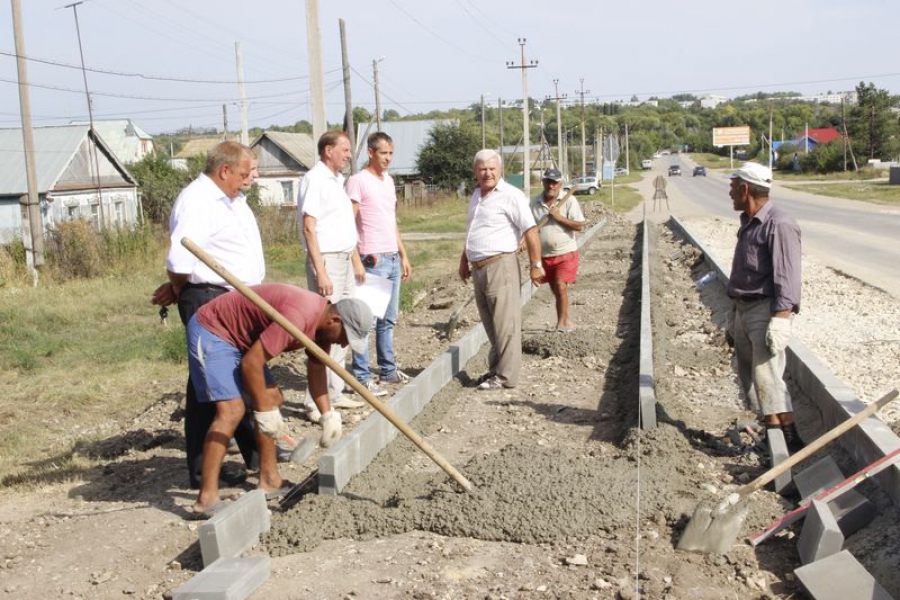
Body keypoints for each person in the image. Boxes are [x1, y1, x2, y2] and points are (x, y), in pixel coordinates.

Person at [186, 283, 372, 516]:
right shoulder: (298, 318)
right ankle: (206, 498)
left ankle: (269, 479)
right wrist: (264, 412)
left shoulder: (322, 327)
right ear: (335, 321)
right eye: (346, 337)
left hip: (243, 340)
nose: (343, 344)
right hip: (215, 331)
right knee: (232, 411)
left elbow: (316, 369)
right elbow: (251, 363)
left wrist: (327, 414)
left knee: (273, 398)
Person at [151, 141, 263, 490]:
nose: (248, 180)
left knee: (227, 379)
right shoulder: (198, 201)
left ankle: (258, 456)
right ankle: (204, 475)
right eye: (243, 174)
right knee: (210, 387)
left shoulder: (229, 199)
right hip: (211, 301)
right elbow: (180, 262)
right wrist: (180, 286)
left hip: (233, 298)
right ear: (224, 170)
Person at [725, 162, 803, 452]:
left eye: (733, 188)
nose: (730, 194)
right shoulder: (748, 221)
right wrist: (733, 317)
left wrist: (782, 318)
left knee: (767, 378)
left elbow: (788, 274)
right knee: (751, 380)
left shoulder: (779, 224)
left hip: (764, 309)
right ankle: (782, 439)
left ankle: (783, 450)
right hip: (743, 308)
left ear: (746, 189)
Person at [458, 149, 544, 390]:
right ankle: (496, 370)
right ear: (475, 172)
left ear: (500, 170)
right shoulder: (476, 195)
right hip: (479, 268)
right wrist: (464, 260)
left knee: (506, 324)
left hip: (500, 265)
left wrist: (535, 265)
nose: (487, 173)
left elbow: (530, 230)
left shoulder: (511, 195)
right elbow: (473, 231)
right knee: (491, 323)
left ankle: (506, 377)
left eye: (492, 168)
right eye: (482, 169)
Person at [298, 131, 368, 418]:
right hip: (327, 261)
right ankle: (314, 402)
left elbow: (341, 226)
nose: (349, 155)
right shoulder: (315, 180)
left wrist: (355, 259)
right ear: (328, 150)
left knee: (345, 329)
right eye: (345, 149)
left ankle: (334, 394)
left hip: (343, 258)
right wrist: (320, 270)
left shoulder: (337, 182)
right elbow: (309, 227)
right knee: (326, 330)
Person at [346, 132, 412, 393]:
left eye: (391, 153)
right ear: (370, 153)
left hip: (391, 257)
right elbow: (347, 223)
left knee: (389, 319)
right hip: (372, 259)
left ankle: (387, 369)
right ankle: (361, 377)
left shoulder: (388, 181)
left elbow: (391, 220)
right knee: (367, 321)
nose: (388, 158)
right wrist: (356, 260)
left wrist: (403, 255)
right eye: (383, 153)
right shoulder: (357, 181)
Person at [530, 168, 585, 331]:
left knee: (561, 285)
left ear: (560, 184)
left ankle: (561, 324)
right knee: (556, 289)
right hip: (545, 256)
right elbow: (530, 231)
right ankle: (566, 319)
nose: (551, 185)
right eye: (548, 181)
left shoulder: (569, 201)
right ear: (543, 182)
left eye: (555, 182)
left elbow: (579, 226)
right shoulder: (534, 203)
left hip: (566, 253)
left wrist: (559, 217)